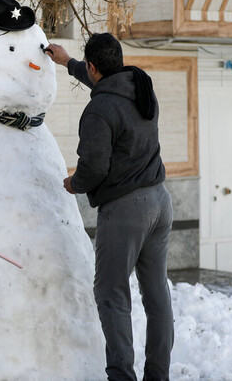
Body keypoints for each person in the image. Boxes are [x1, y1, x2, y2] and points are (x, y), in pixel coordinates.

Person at [46, 34, 174, 381]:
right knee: (156, 291)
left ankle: (121, 376)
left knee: (111, 293)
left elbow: (94, 168)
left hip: (126, 209)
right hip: (160, 201)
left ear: (94, 66)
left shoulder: (99, 110)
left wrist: (74, 183)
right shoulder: (139, 86)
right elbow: (104, 84)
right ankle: (158, 375)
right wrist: (68, 62)